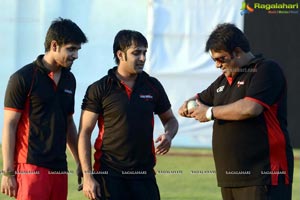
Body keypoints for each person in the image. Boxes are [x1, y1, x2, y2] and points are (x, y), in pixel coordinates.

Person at [179, 23, 294, 200]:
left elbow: (250, 108)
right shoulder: (223, 80)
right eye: (214, 60)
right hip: (230, 178)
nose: (217, 65)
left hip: (263, 175)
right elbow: (198, 99)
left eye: (221, 59)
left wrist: (209, 112)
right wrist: (188, 105)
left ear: (238, 52)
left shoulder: (266, 70)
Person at [78, 29, 178, 200]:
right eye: (136, 53)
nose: (143, 58)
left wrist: (169, 135)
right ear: (120, 54)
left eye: (144, 52)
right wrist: (88, 176)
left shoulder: (152, 86)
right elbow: (84, 133)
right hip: (109, 176)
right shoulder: (100, 88)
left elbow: (170, 120)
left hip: (144, 175)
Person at [1, 17, 88, 199]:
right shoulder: (23, 78)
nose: (76, 56)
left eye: (77, 50)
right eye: (71, 49)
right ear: (54, 45)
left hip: (59, 169)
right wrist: (8, 172)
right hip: (31, 168)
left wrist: (80, 161)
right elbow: (9, 125)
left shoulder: (69, 80)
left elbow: (68, 124)